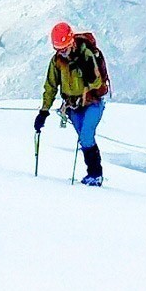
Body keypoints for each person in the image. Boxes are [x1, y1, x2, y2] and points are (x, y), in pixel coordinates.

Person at [33, 21, 111, 186]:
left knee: (86, 136)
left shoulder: (87, 55)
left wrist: (86, 70)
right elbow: (50, 86)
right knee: (84, 140)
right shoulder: (57, 62)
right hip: (73, 107)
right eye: (59, 50)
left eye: (65, 48)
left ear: (71, 42)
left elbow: (97, 82)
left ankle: (96, 175)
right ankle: (93, 174)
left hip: (92, 103)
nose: (63, 52)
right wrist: (43, 112)